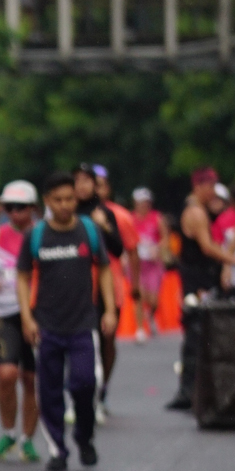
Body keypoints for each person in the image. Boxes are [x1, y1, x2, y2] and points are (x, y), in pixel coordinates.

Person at [16, 171, 117, 471]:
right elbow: (22, 277)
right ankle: (58, 448)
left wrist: (109, 309)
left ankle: (84, 437)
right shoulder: (36, 235)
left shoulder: (89, 230)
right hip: (47, 325)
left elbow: (105, 268)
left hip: (83, 324)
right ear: (47, 201)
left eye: (70, 199)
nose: (64, 205)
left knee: (85, 383)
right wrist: (26, 317)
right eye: (58, 200)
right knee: (49, 391)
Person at [166, 167, 235, 410]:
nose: (213, 193)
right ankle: (188, 391)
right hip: (197, 280)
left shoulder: (197, 209)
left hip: (197, 278)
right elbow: (207, 248)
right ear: (199, 186)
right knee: (197, 335)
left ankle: (192, 390)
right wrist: (234, 261)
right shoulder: (196, 213)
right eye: (210, 187)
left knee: (199, 334)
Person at [0, 179, 41, 464]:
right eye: (10, 207)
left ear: (33, 208)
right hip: (5, 313)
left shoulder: (41, 235)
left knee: (31, 379)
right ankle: (8, 432)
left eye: (21, 207)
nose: (15, 213)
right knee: (6, 374)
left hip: (36, 315)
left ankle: (27, 439)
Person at [77, 164, 135, 421]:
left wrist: (104, 226)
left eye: (88, 181)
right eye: (77, 181)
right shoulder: (67, 214)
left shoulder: (107, 213)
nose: (83, 187)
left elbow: (120, 249)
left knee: (106, 340)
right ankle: (80, 394)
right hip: (77, 285)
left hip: (107, 284)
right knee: (82, 342)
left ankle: (102, 390)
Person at [132, 187, 169, 334]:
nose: (143, 206)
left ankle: (151, 315)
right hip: (137, 263)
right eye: (140, 203)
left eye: (146, 202)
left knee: (153, 299)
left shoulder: (156, 218)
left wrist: (157, 249)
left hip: (153, 263)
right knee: (139, 295)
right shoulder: (130, 219)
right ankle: (140, 328)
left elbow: (165, 238)